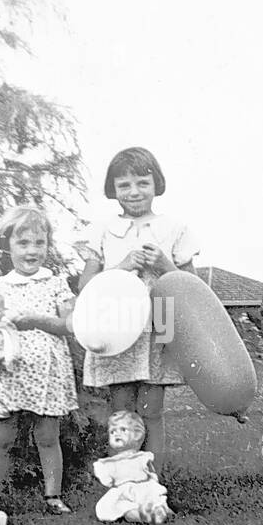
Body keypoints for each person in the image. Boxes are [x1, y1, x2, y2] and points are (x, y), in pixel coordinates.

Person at [77, 146, 199, 472]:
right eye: (124, 185)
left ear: (156, 183)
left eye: (142, 183)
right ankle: (125, 479)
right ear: (112, 189)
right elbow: (86, 287)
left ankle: (152, 483)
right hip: (118, 327)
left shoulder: (174, 228)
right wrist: (122, 265)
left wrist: (164, 264)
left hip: (161, 322)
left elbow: (194, 288)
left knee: (152, 410)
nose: (134, 192)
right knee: (122, 410)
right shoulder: (102, 230)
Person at [0, 206, 79, 515]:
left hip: (47, 373)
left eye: (39, 243)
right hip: (10, 373)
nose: (32, 251)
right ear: (7, 244)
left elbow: (69, 325)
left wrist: (35, 319)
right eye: (23, 243)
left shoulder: (56, 284)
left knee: (48, 436)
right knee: (3, 436)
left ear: (48, 245)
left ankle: (53, 496)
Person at [92, 410, 173, 524]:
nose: (117, 434)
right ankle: (141, 515)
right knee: (120, 507)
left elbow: (151, 475)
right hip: (124, 492)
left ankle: (158, 510)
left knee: (155, 498)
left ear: (137, 434)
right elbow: (108, 481)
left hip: (144, 489)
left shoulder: (143, 456)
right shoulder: (110, 463)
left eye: (123, 430)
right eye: (112, 432)